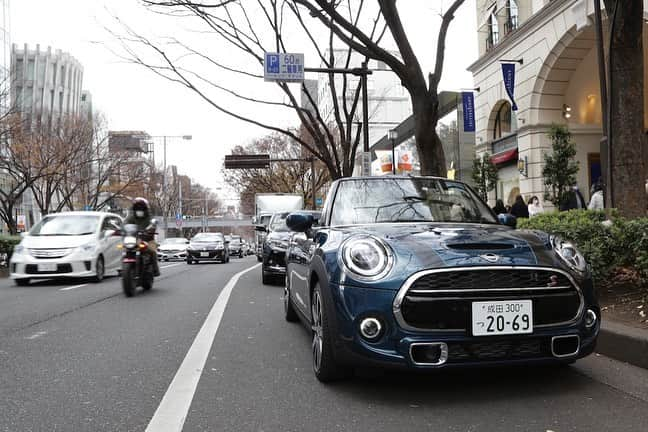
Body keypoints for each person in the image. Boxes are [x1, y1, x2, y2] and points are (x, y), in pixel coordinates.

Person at [124, 197, 160, 277]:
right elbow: (125, 223)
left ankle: (155, 270)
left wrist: (151, 229)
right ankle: (123, 269)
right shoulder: (131, 216)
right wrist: (122, 229)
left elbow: (153, 223)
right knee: (124, 249)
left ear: (145, 208)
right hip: (134, 239)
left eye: (141, 208)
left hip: (148, 239)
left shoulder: (149, 217)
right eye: (137, 208)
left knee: (152, 251)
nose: (139, 210)